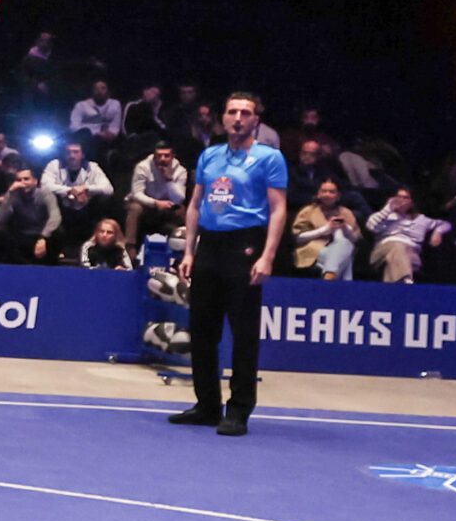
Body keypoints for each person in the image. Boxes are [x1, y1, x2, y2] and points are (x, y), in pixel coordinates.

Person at [171, 92, 288, 436]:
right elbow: (194, 205)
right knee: (203, 331)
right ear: (222, 118)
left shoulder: (270, 158)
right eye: (232, 112)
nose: (238, 118)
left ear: (256, 120)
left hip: (245, 245)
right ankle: (207, 405)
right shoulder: (209, 155)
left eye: (245, 113)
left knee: (243, 334)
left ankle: (238, 410)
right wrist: (189, 251)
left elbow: (279, 209)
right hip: (210, 245)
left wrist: (267, 256)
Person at [365, 188, 451, 283]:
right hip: (383, 252)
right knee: (397, 245)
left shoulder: (421, 219)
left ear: (411, 203)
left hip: (411, 254)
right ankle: (406, 283)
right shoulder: (385, 216)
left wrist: (438, 231)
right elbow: (371, 227)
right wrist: (388, 208)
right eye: (398, 197)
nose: (400, 200)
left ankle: (395, 290)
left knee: (399, 258)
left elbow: (446, 224)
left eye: (405, 198)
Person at [291, 178, 361, 280]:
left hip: (342, 249)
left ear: (338, 196)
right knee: (346, 258)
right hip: (314, 250)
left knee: (344, 245)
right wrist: (325, 229)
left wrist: (345, 228)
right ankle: (345, 286)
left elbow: (355, 239)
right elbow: (298, 238)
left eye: (332, 192)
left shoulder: (346, 213)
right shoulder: (308, 211)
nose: (327, 194)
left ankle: (330, 273)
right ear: (318, 194)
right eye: (324, 191)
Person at [126, 140, 191, 248]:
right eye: (159, 156)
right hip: (145, 204)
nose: (162, 159)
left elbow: (179, 199)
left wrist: (169, 179)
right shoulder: (143, 167)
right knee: (135, 208)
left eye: (166, 156)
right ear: (154, 156)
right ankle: (130, 247)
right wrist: (155, 203)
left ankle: (187, 246)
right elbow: (136, 193)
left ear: (172, 156)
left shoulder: (180, 171)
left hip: (167, 205)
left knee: (182, 210)